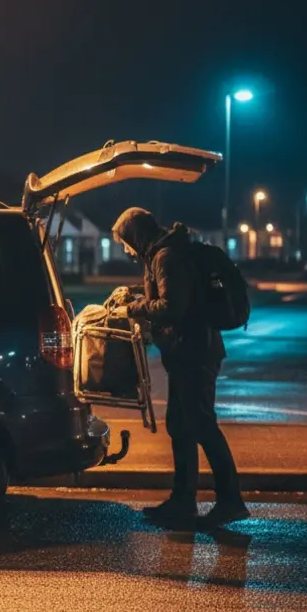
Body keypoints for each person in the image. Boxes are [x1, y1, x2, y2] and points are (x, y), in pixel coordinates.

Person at [112, 207, 249, 528]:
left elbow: (173, 306)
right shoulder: (163, 254)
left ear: (136, 234)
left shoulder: (166, 256)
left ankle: (231, 500)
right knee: (180, 425)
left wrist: (134, 308)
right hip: (186, 351)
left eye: (125, 242)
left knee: (201, 425)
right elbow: (170, 295)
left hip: (195, 353)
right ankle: (183, 500)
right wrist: (137, 296)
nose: (126, 250)